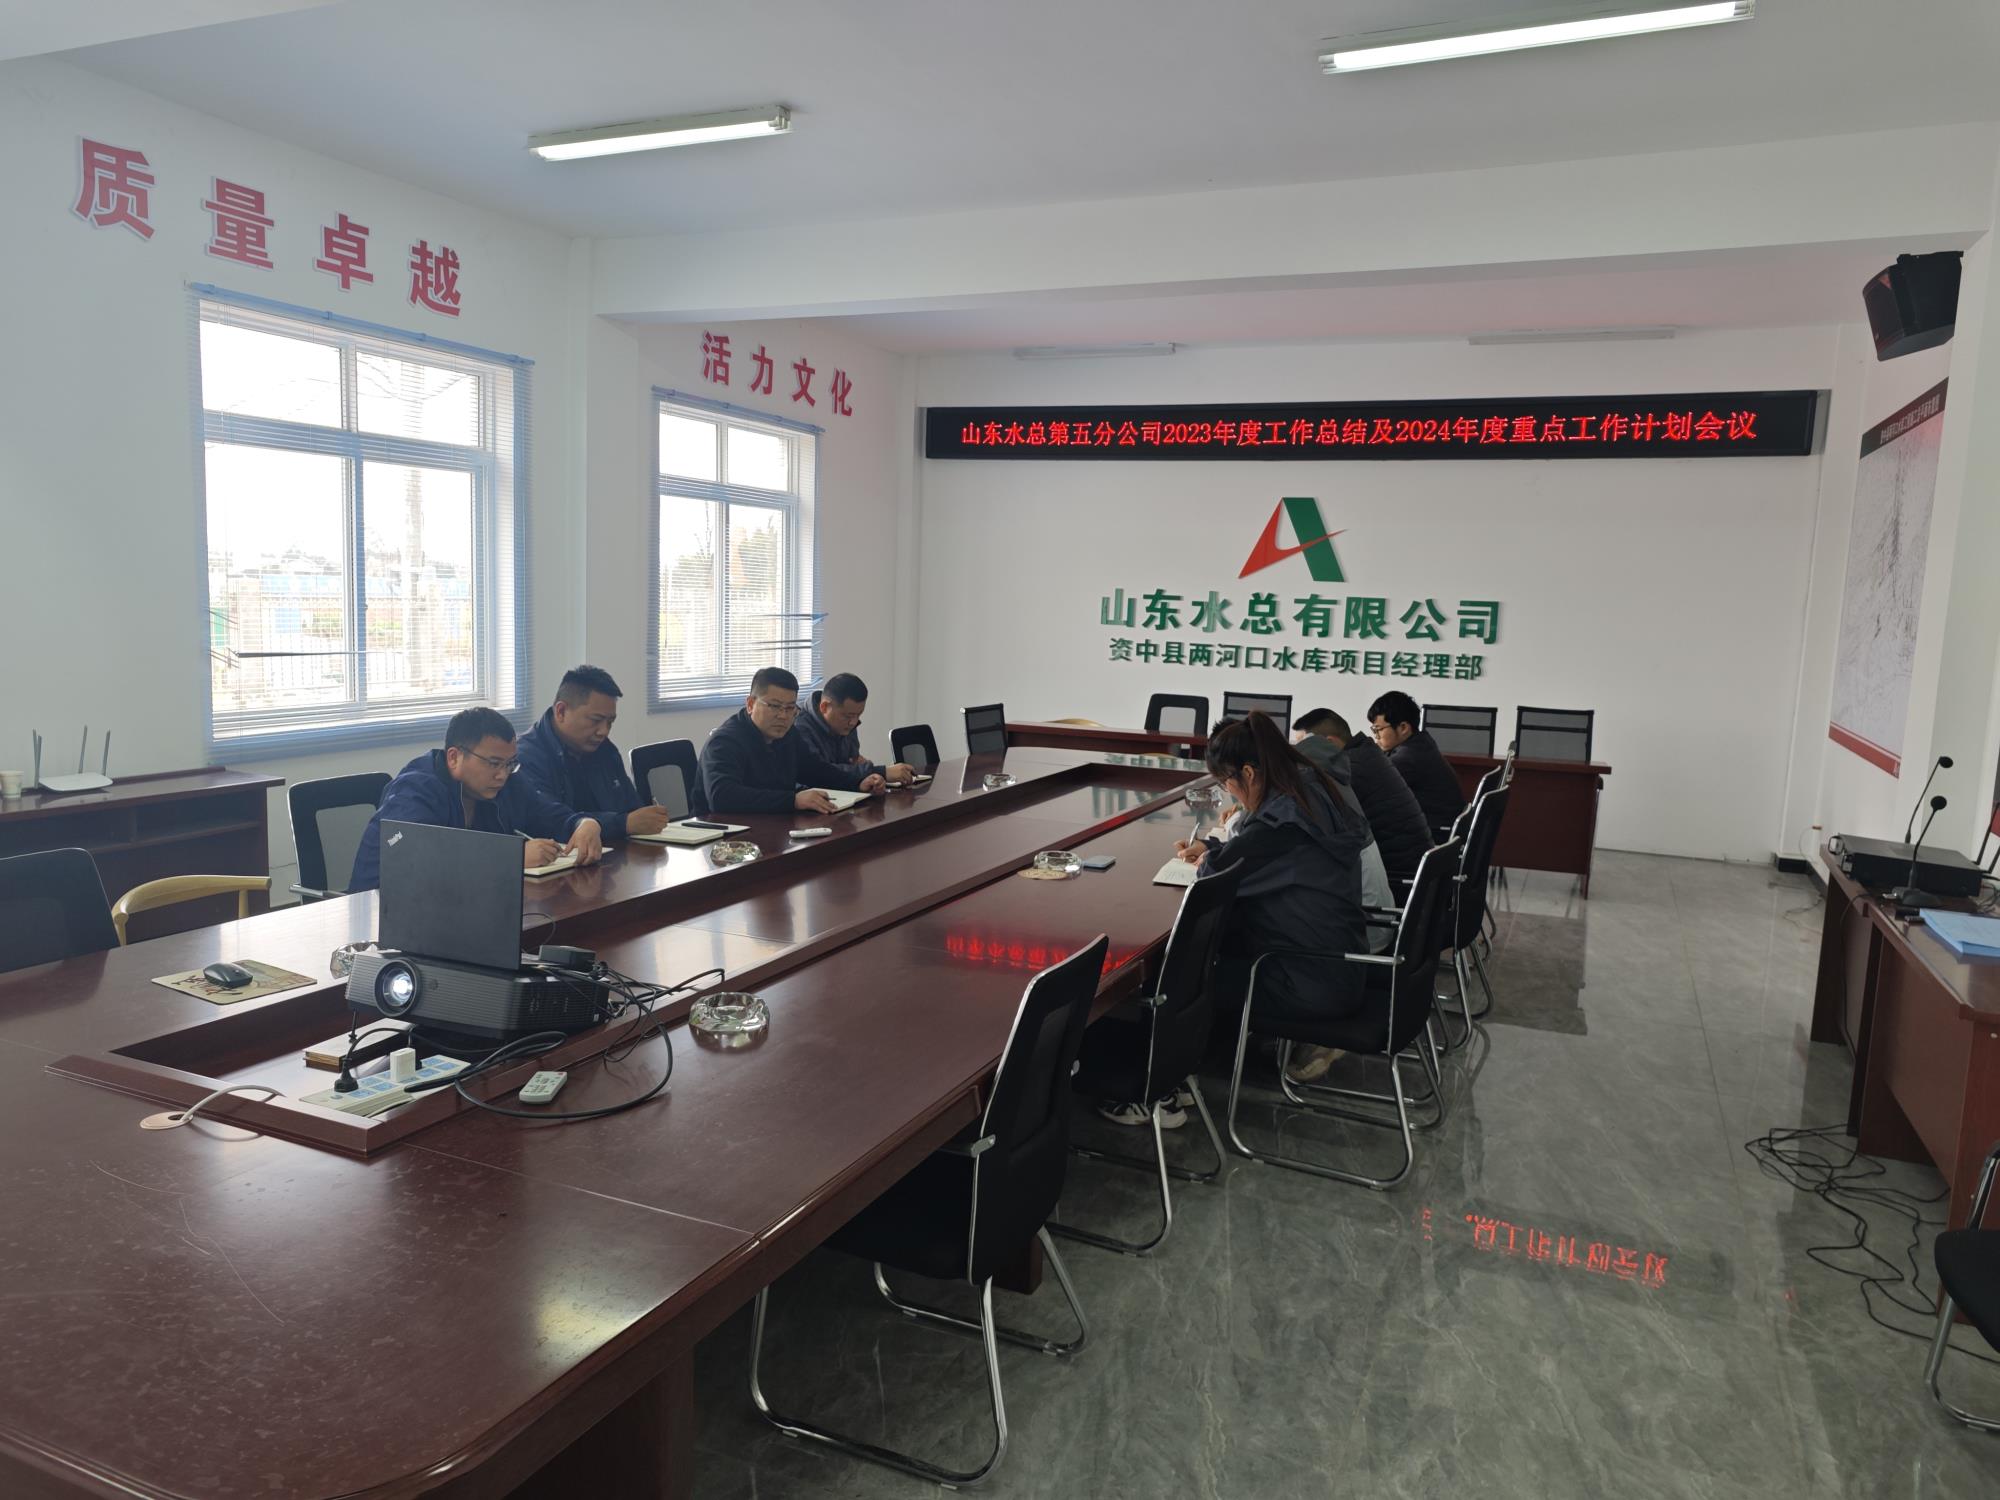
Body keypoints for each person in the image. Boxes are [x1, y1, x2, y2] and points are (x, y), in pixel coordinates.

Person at [1153, 712, 1371, 1101]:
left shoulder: (1283, 824)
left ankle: (1163, 1088)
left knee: (1177, 979)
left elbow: (1217, 879)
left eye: (1227, 784)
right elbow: (1253, 854)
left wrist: (1212, 857)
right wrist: (1216, 847)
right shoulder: (1310, 790)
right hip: (1339, 965)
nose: (1230, 794)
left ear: (1250, 774)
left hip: (1307, 981)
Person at [348, 706, 604, 893]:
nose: (502, 774)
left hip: (461, 909)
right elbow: (417, 865)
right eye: (493, 763)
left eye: (510, 763)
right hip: (382, 915)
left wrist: (584, 824)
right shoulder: (415, 791)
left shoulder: (507, 783)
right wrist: (512, 859)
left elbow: (549, 815)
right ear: (454, 757)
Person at [515, 665, 674, 842]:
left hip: (613, 852)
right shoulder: (525, 757)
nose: (603, 731)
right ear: (561, 711)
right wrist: (623, 824)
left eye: (610, 722)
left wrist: (645, 819)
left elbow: (632, 808)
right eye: (595, 720)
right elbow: (550, 821)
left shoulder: (605, 750)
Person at [701, 667, 885, 814]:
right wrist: (792, 801)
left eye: (790, 708)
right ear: (750, 704)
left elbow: (816, 770)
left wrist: (857, 783)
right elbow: (722, 797)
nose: (783, 716)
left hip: (774, 827)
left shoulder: (788, 735)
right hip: (724, 839)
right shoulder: (724, 742)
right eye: (775, 706)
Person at [1293, 706, 1433, 885]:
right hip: (1413, 871)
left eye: (1302, 747)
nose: (1298, 756)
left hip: (1399, 879)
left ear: (1329, 743)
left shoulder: (1348, 771)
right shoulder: (1365, 754)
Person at [1367, 689, 1467, 839]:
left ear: (1403, 728)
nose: (1376, 736)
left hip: (1437, 834)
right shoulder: (1421, 742)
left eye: (1378, 729)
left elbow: (1371, 786)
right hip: (1442, 828)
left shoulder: (1408, 757)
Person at [793, 672, 917, 786]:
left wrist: (869, 779)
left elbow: (852, 764)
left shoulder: (847, 724)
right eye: (848, 716)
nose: (853, 722)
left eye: (859, 715)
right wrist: (879, 772)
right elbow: (821, 774)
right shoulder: (799, 729)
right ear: (824, 707)